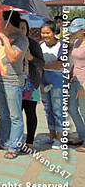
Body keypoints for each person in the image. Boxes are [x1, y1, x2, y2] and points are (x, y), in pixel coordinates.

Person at [0, 11, 28, 160]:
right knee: (3, 115)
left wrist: (5, 39)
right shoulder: (3, 38)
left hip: (12, 81)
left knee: (15, 116)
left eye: (2, 20)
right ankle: (5, 141)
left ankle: (14, 146)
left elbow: (13, 57)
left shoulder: (22, 39)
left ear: (8, 22)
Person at [19, 19, 45, 152]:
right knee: (15, 114)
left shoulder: (33, 44)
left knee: (30, 113)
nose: (21, 30)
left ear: (27, 29)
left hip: (30, 84)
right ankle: (15, 140)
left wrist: (31, 58)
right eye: (18, 27)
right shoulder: (10, 43)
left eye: (23, 27)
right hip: (15, 84)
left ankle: (29, 142)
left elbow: (41, 63)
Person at [40, 21, 66, 150]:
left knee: (58, 110)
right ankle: (51, 136)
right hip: (44, 81)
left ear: (54, 32)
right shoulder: (40, 45)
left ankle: (60, 138)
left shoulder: (62, 46)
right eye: (43, 32)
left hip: (57, 82)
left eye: (47, 32)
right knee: (47, 109)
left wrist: (42, 65)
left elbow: (61, 64)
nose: (45, 35)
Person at [68, 18, 85, 152]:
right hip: (74, 80)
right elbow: (74, 61)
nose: (73, 33)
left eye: (75, 31)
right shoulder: (76, 42)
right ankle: (82, 135)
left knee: (84, 111)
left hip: (83, 83)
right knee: (72, 108)